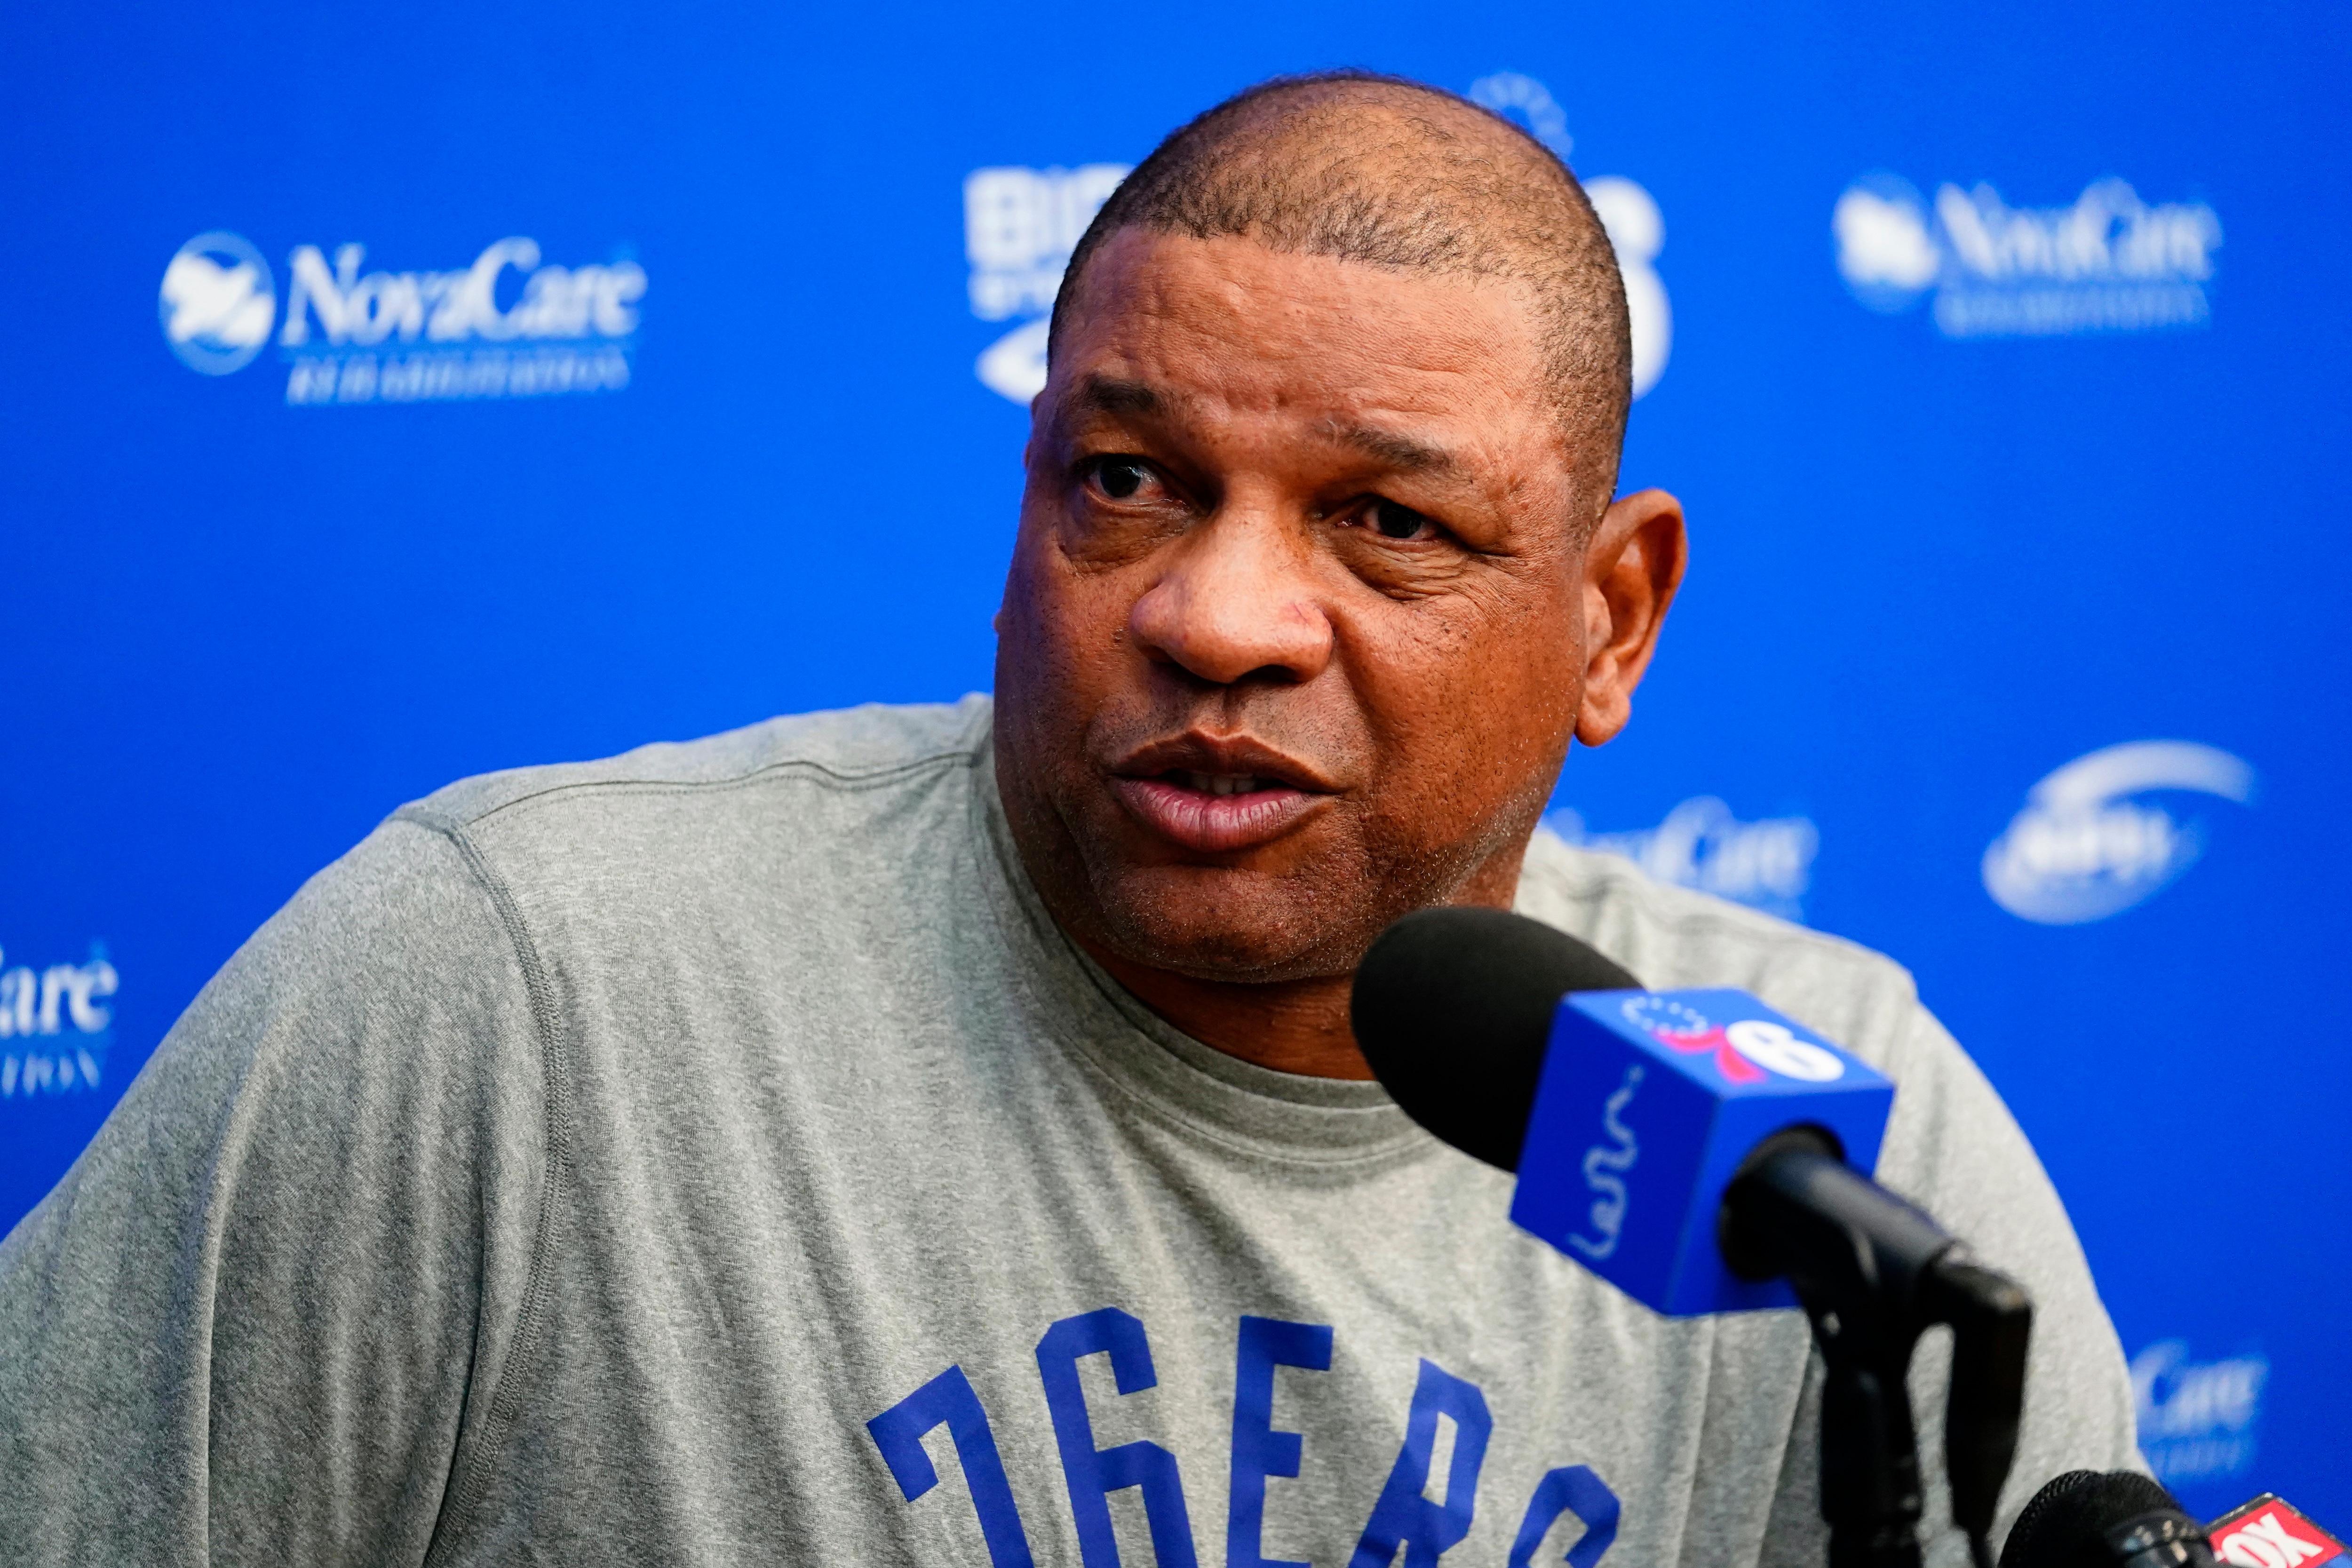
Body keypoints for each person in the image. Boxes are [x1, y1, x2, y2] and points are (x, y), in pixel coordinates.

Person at [0, 72, 2137, 1567]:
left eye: (1385, 524)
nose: (1212, 616)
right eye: (1123, 481)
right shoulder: (512, 995)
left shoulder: (1821, 1142)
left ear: (1609, 617)